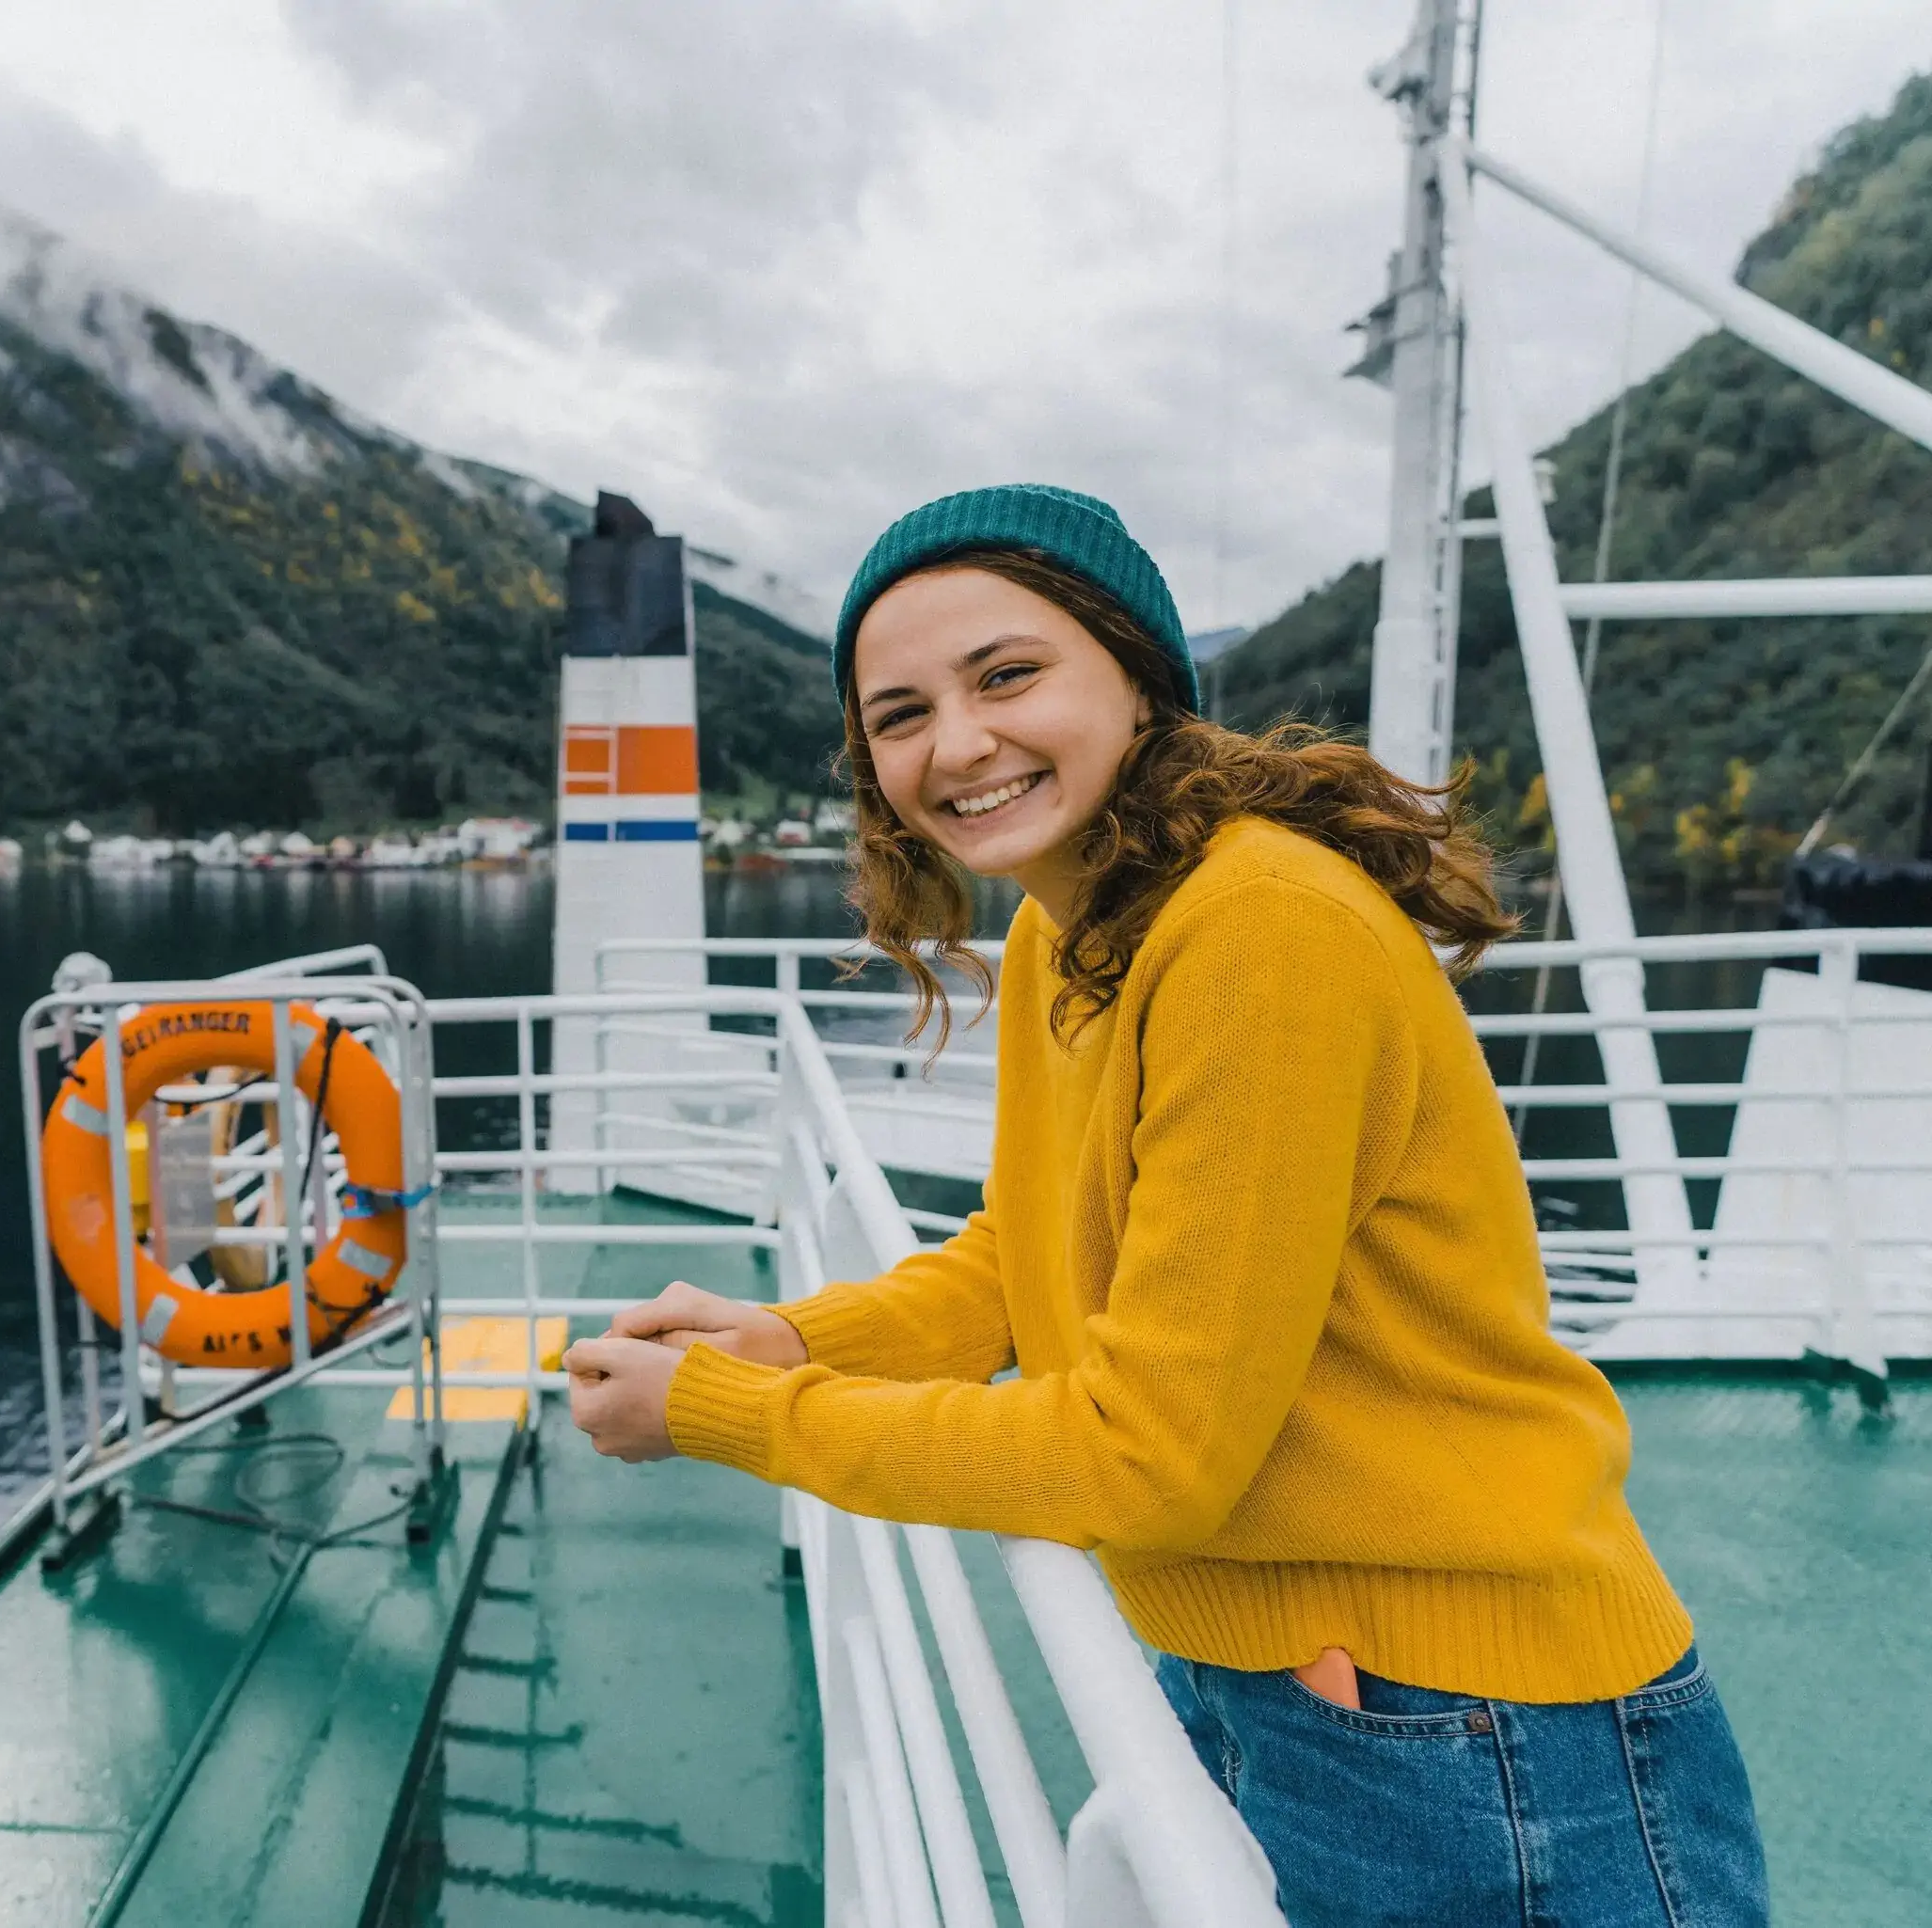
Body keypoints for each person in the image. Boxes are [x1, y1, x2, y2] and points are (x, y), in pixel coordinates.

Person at [562, 485, 1769, 1928]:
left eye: (1008, 675)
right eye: (898, 714)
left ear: (1137, 673)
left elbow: (1152, 1453)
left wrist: (730, 1417)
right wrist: (790, 1338)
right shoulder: (1063, 932)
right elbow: (1024, 1256)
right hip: (1283, 1677)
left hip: (1481, 1728)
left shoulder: (1261, 931)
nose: (956, 744)